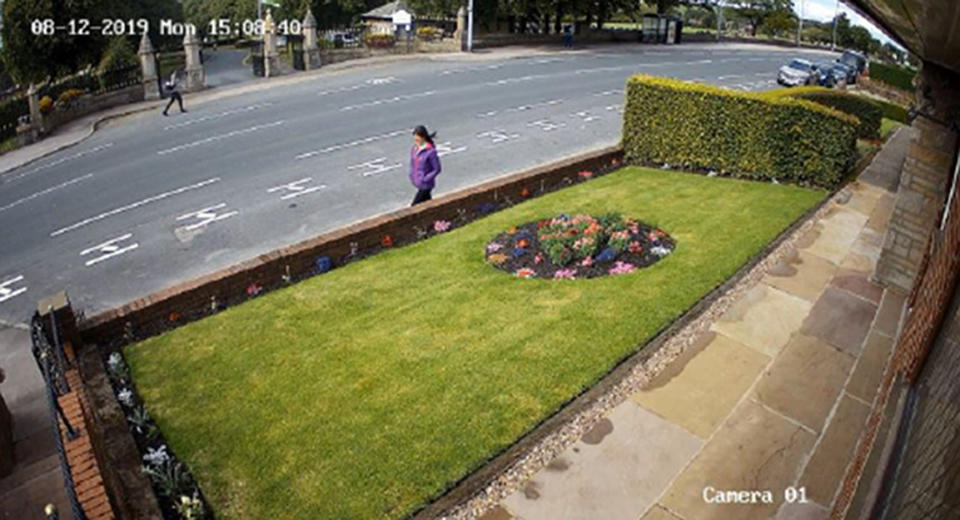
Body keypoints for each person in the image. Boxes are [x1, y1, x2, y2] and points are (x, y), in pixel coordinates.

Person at [409, 125, 442, 206]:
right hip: (418, 182)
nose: (416, 139)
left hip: (426, 184)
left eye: (418, 137)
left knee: (414, 206)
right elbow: (413, 163)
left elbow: (437, 168)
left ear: (423, 137)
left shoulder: (430, 151)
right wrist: (411, 175)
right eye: (415, 136)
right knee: (428, 204)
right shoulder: (414, 149)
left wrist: (425, 178)